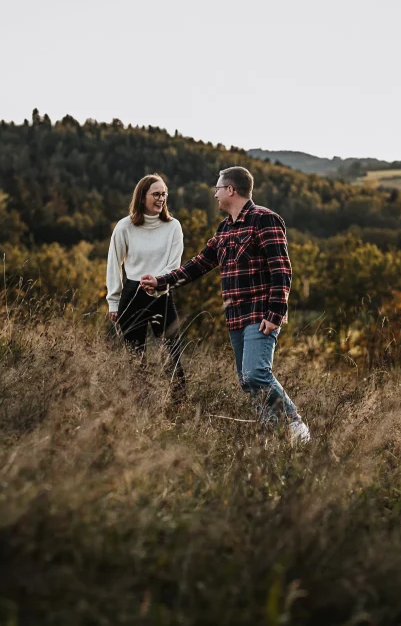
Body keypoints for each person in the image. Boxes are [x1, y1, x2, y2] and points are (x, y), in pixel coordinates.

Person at [141, 166, 310, 444]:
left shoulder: (265, 220)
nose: (215, 194)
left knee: (257, 372)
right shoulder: (224, 229)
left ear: (231, 190)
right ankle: (273, 434)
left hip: (261, 312)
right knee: (247, 380)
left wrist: (276, 312)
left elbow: (282, 269)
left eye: (218, 189)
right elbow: (199, 264)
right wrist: (161, 282)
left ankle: (294, 424)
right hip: (235, 317)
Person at [106, 174, 187, 394]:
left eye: (164, 194)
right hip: (132, 295)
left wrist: (158, 282)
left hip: (162, 293)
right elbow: (114, 263)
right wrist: (113, 302)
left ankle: (179, 403)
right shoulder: (124, 227)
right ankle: (139, 405)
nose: (161, 199)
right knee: (135, 357)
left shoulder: (173, 227)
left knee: (173, 354)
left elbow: (174, 265)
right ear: (142, 197)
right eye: (156, 194)